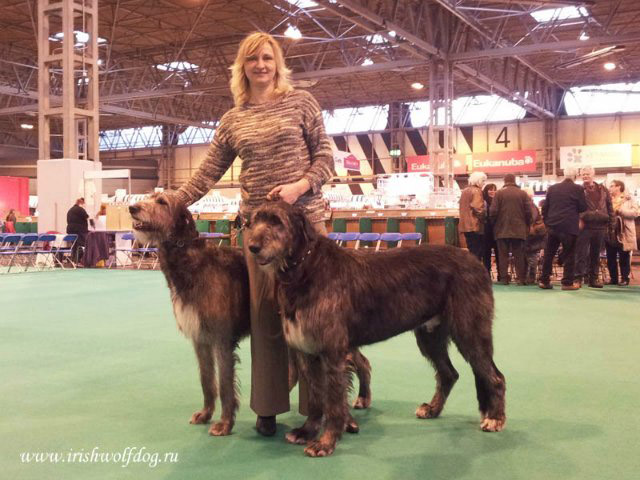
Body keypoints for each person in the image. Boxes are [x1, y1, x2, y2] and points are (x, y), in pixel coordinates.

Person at [174, 32, 334, 437]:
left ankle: (326, 408)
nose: (261, 65)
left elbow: (326, 157)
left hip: (306, 228)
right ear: (241, 67)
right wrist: (172, 202)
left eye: (267, 58)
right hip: (258, 235)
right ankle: (268, 406)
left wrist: (300, 187)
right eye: (252, 59)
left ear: (278, 64)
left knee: (317, 321)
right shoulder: (233, 119)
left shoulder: (302, 102)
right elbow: (207, 172)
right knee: (265, 321)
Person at [538, 167, 588, 290]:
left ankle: (544, 280)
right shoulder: (578, 189)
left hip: (553, 226)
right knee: (570, 255)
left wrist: (547, 222)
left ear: (563, 176)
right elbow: (582, 207)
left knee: (549, 254)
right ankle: (567, 283)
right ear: (575, 176)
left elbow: (545, 207)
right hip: (569, 227)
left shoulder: (552, 188)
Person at [575, 166, 614, 288]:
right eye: (583, 174)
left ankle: (593, 279)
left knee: (595, 255)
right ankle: (578, 278)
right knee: (581, 254)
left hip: (601, 227)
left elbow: (610, 207)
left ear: (593, 174)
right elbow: (574, 208)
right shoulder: (578, 190)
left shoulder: (604, 190)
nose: (585, 176)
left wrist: (611, 224)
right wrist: (583, 216)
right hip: (585, 226)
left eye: (587, 174)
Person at [489, 174, 531, 285]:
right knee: (519, 255)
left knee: (503, 255)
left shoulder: (499, 194)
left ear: (504, 180)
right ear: (514, 180)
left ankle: (504, 279)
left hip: (502, 229)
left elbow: (493, 211)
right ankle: (521, 279)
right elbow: (528, 212)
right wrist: (526, 224)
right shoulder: (523, 193)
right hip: (519, 229)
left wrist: (494, 224)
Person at [605, 180, 638, 286]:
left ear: (619, 187)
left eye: (612, 186)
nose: (609, 188)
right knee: (610, 256)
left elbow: (636, 212)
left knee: (624, 256)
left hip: (623, 231)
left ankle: (624, 278)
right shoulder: (608, 199)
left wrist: (622, 211)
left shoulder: (628, 198)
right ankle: (613, 278)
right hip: (610, 231)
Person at [459, 171, 487, 261]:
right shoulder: (477, 191)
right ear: (478, 181)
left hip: (465, 226)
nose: (484, 183)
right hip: (475, 226)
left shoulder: (465, 190)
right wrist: (485, 217)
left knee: (471, 252)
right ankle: (477, 273)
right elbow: (478, 208)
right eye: (483, 181)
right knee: (477, 253)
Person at [523, 188, 546, 285]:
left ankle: (531, 277)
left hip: (532, 234)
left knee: (531, 257)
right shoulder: (532, 205)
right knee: (530, 256)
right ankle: (530, 277)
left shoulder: (529, 206)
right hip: (535, 233)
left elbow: (531, 220)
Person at [482, 183, 499, 278]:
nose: (492, 191)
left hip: (496, 231)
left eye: (494, 189)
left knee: (499, 254)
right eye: (490, 189)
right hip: (486, 231)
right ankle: (486, 275)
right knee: (486, 255)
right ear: (486, 190)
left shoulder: (498, 201)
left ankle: (501, 275)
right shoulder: (483, 201)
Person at [66, 197, 90, 263]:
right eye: (83, 203)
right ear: (81, 203)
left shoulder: (70, 210)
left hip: (70, 230)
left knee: (74, 246)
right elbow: (87, 216)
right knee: (82, 245)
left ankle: (74, 261)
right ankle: (79, 260)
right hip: (79, 231)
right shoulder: (80, 209)